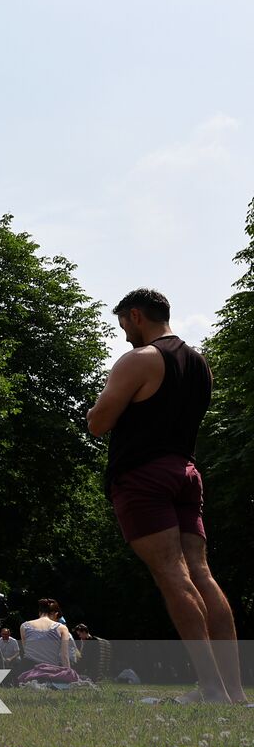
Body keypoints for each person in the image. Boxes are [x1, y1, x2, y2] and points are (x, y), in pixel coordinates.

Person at [87, 288, 245, 703]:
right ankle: (235, 692)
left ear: (136, 315)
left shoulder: (139, 360)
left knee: (172, 575)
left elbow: (98, 423)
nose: (124, 336)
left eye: (123, 325)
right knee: (201, 573)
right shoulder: (200, 366)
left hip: (143, 477)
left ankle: (210, 688)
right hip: (186, 473)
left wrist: (94, 410)